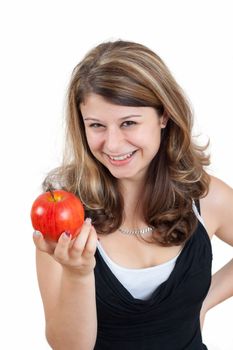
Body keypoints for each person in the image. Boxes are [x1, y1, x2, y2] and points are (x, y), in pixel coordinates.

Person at [33, 40, 233, 350]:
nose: (112, 145)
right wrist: (78, 273)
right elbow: (68, 346)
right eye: (97, 125)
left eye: (128, 123)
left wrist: (205, 301)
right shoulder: (63, 215)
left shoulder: (207, 198)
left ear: (164, 116)